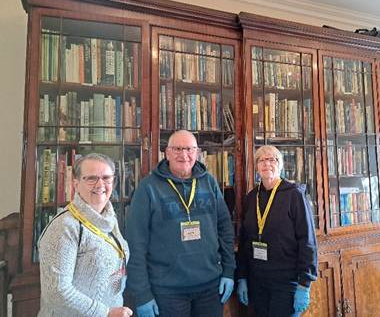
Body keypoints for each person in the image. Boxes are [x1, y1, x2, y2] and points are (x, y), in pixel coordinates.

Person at [126, 130, 235, 317]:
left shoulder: (209, 182)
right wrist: (142, 293)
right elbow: (135, 244)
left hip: (211, 287)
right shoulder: (148, 188)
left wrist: (229, 271)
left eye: (189, 149)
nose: (184, 155)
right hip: (167, 291)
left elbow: (225, 229)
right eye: (177, 149)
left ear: (198, 153)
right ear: (166, 153)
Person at [38, 153, 132, 317]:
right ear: (75, 183)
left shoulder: (109, 218)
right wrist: (106, 312)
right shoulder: (65, 226)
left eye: (106, 178)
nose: (100, 184)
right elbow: (56, 292)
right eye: (91, 178)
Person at [236, 145, 318, 317]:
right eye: (262, 160)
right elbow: (245, 240)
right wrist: (242, 276)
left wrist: (304, 284)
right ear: (256, 166)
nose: (267, 164)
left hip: (286, 282)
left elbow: (307, 240)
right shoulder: (251, 198)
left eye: (272, 159)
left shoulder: (294, 195)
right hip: (257, 281)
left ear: (280, 164)